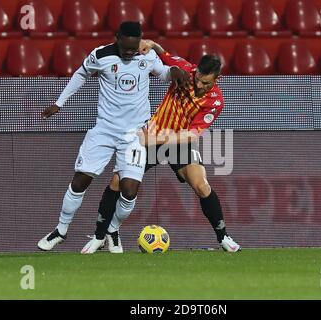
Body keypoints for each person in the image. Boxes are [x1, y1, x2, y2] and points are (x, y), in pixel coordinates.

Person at [37, 23, 190, 251]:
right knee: (81, 180)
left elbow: (163, 72)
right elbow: (81, 74)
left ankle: (112, 229)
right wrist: (59, 103)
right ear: (117, 38)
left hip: (135, 134)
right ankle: (61, 230)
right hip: (105, 130)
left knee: (129, 191)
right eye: (126, 48)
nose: (130, 53)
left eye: (134, 48)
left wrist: (174, 72)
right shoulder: (101, 55)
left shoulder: (146, 56)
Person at [81, 39, 241, 254]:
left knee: (201, 185)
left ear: (217, 79)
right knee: (117, 182)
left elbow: (191, 134)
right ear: (196, 72)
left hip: (174, 141)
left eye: (206, 84)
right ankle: (102, 235)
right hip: (153, 134)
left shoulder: (215, 102)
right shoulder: (185, 70)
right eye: (199, 80)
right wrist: (152, 44)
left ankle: (223, 237)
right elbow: (164, 54)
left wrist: (157, 139)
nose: (200, 86)